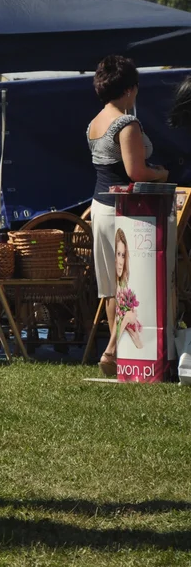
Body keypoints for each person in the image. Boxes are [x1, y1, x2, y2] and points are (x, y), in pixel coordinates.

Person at [87, 55, 167, 376]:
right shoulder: (126, 123)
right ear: (130, 89)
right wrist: (162, 173)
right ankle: (119, 353)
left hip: (100, 207)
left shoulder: (94, 123)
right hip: (126, 212)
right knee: (132, 283)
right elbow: (136, 171)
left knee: (111, 285)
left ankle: (118, 353)